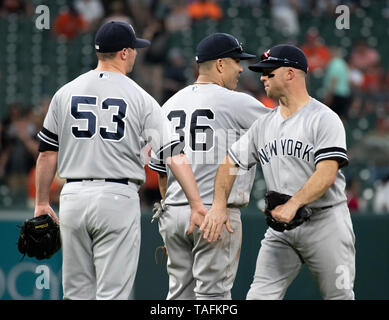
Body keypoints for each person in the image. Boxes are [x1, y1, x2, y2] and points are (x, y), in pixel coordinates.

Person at [34, 21, 207, 300]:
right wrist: (197, 204)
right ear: (124, 53)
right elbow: (173, 155)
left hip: (73, 198)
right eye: (134, 49)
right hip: (117, 197)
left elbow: (46, 153)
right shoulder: (140, 97)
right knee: (113, 295)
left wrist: (42, 202)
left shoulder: (65, 92)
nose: (137, 54)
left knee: (76, 293)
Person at [201, 44, 356, 300]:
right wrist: (218, 205)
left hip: (326, 223)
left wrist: (293, 204)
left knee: (339, 296)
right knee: (259, 297)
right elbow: (230, 162)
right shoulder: (264, 124)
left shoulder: (324, 118)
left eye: (269, 72)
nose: (262, 77)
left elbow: (327, 173)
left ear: (291, 73)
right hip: (281, 228)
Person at [148, 33, 270, 300]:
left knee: (179, 295)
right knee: (213, 297)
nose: (241, 68)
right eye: (237, 61)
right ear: (220, 64)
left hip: (175, 215)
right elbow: (281, 132)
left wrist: (175, 213)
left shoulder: (168, 106)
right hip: (215, 215)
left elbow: (161, 174)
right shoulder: (237, 101)